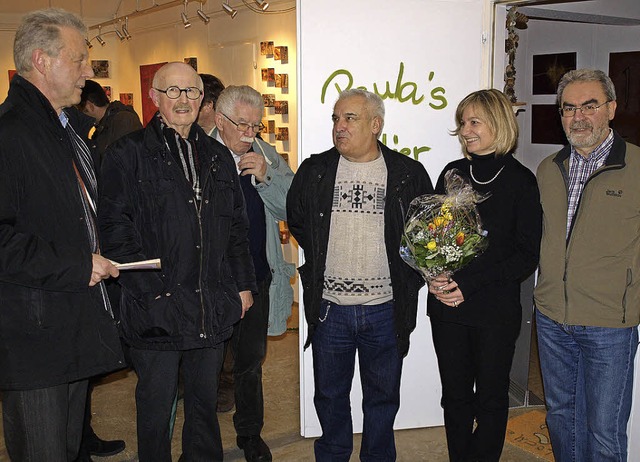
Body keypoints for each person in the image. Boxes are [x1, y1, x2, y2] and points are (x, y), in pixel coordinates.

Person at [97, 62, 257, 461]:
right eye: (173, 91)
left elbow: (236, 228)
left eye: (192, 92)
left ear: (203, 99)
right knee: (156, 405)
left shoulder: (219, 157)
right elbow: (115, 229)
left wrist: (242, 285)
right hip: (156, 306)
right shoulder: (127, 154)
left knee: (204, 404)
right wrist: (148, 290)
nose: (183, 100)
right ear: (154, 98)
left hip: (210, 304)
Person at [0, 8, 124, 461]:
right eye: (80, 59)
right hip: (35, 343)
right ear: (43, 61)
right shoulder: (10, 134)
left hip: (71, 328)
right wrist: (76, 264)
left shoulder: (64, 130)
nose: (89, 71)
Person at [287, 88, 433, 461]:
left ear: (376, 124)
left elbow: (425, 236)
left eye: (350, 118)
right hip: (330, 309)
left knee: (382, 397)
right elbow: (301, 223)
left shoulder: (407, 174)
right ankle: (333, 454)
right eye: (336, 118)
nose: (340, 127)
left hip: (385, 308)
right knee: (330, 395)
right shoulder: (315, 170)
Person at [426, 89, 542, 462]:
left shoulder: (521, 181)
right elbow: (430, 237)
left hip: (494, 311)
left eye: (474, 121)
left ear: (499, 123)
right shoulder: (451, 174)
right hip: (447, 308)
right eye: (462, 123)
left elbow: (527, 256)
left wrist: (469, 285)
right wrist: (431, 275)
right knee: (455, 397)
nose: (465, 130)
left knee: (490, 398)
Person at [534, 68, 640, 462]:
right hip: (551, 317)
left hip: (610, 323)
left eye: (589, 106)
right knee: (561, 418)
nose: (578, 117)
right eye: (569, 108)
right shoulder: (548, 169)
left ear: (611, 109)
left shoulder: (637, 168)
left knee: (604, 431)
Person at [210, 84, 295, 462]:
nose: (249, 133)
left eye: (254, 126)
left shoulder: (265, 155)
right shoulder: (199, 153)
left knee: (249, 363)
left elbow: (293, 208)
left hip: (257, 276)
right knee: (205, 366)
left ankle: (249, 435)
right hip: (210, 281)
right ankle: (203, 440)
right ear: (218, 119)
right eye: (241, 125)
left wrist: (267, 177)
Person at [78, 79, 142, 170]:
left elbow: (126, 166)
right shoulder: (104, 125)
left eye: (79, 110)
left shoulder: (123, 120)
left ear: (89, 106)